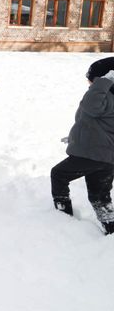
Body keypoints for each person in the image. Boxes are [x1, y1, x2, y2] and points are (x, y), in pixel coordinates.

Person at [50, 57, 114, 235]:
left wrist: (103, 82)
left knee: (59, 174)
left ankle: (63, 218)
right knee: (99, 196)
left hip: (92, 155)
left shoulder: (104, 96)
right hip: (105, 158)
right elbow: (94, 124)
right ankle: (111, 229)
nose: (89, 83)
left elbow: (92, 107)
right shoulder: (107, 97)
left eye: (92, 79)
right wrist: (75, 138)